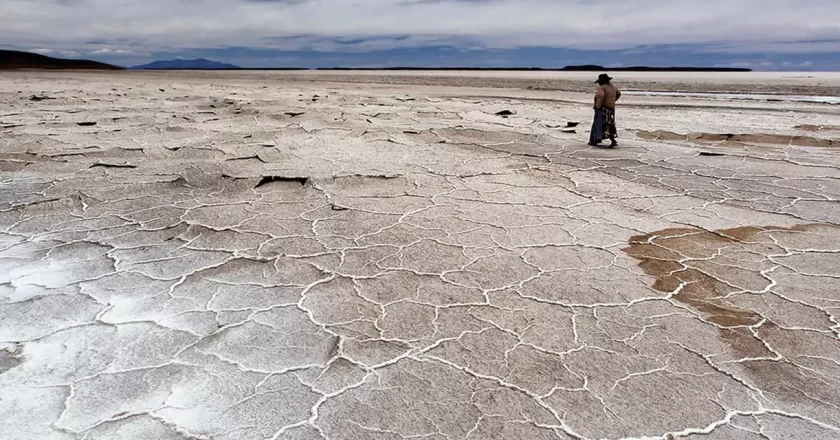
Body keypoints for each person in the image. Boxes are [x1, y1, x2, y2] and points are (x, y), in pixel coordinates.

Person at [589, 73, 621, 147]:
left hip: (603, 109)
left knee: (599, 124)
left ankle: (595, 140)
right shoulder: (613, 87)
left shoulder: (602, 88)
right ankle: (611, 140)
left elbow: (600, 97)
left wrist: (597, 106)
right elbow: (619, 94)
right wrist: (613, 101)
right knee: (609, 124)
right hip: (611, 109)